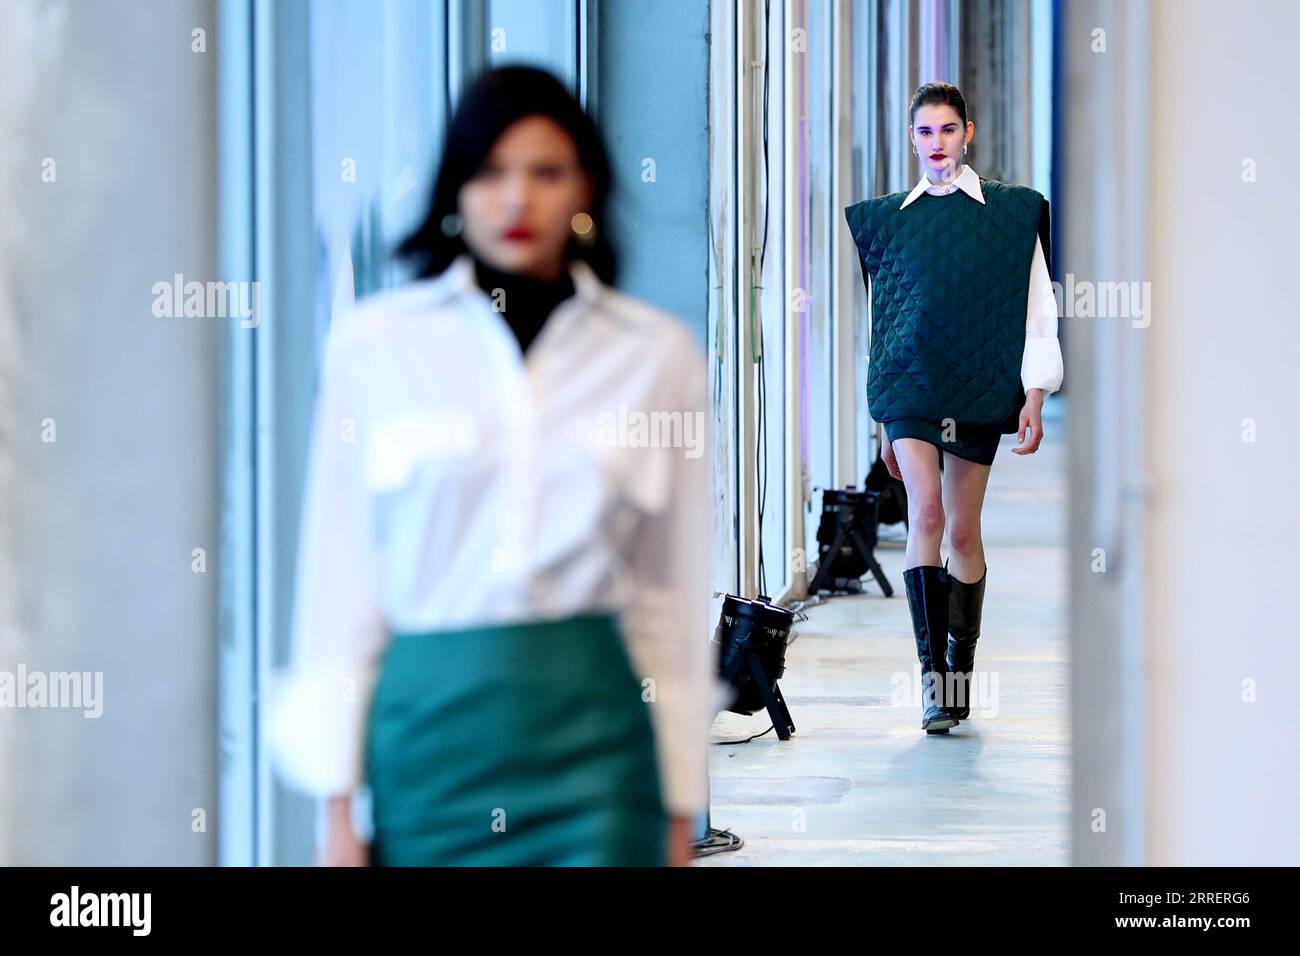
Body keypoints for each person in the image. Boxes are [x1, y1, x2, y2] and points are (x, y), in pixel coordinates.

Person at [268, 66, 714, 866]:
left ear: (586, 187)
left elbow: (668, 600)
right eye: (489, 172)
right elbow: (341, 586)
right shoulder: (375, 348)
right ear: (453, 189)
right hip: (429, 751)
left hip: (596, 752)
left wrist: (679, 815)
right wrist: (335, 814)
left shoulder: (655, 356)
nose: (516, 200)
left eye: (545, 172)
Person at [843, 81, 1063, 734]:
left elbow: (1038, 309)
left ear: (966, 133)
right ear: (911, 140)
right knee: (927, 514)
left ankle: (959, 669)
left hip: (975, 384)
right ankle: (934, 686)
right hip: (909, 386)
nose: (935, 143)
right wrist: (881, 417)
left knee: (963, 530)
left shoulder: (1010, 216)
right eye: (923, 132)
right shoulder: (887, 221)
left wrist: (1036, 392)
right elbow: (882, 322)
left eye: (946, 130)